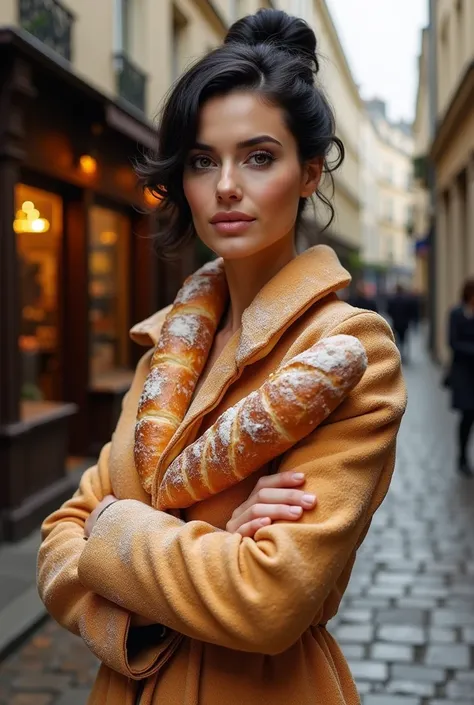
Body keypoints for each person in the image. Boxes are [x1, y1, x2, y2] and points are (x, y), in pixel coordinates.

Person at [37, 10, 406, 705]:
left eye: (259, 156)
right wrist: (206, 542)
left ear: (309, 172)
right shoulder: (164, 348)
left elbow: (265, 598)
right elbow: (56, 547)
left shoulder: (350, 354)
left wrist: (114, 529)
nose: (226, 185)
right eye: (204, 160)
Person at [448, 278, 474, 477]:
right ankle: (462, 457)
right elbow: (453, 342)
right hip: (464, 373)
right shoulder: (456, 314)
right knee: (466, 415)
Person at [387, 284, 414, 362]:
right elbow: (410, 312)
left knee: (396, 340)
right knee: (404, 339)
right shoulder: (407, 300)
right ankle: (404, 355)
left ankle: (397, 354)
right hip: (405, 323)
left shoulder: (392, 300)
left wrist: (394, 316)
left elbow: (389, 311)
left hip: (396, 322)